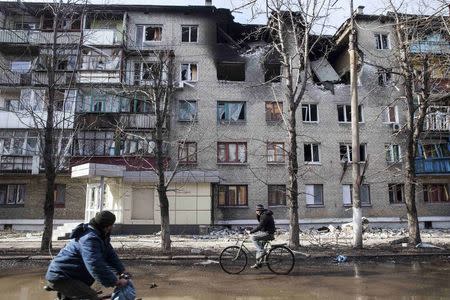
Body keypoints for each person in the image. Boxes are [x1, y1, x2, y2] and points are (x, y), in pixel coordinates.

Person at [45, 211, 129, 300]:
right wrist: (115, 281)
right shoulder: (89, 238)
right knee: (90, 296)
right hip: (62, 276)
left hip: (71, 275)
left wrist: (122, 271)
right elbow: (95, 264)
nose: (112, 227)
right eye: (112, 225)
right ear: (106, 226)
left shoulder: (100, 235)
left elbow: (110, 254)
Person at [246, 204, 276, 269]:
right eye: (256, 210)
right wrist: (253, 230)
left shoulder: (265, 216)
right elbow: (261, 225)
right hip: (266, 232)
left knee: (253, 238)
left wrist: (251, 232)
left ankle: (262, 252)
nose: (256, 212)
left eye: (257, 210)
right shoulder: (263, 215)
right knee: (259, 247)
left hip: (268, 234)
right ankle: (258, 264)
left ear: (260, 211)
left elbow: (260, 226)